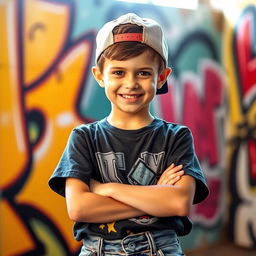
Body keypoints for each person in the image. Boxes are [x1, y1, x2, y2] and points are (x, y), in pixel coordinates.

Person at [49, 13, 209, 256]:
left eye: (143, 73)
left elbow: (178, 203)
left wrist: (106, 189)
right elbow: (80, 209)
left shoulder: (176, 137)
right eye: (119, 72)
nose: (131, 83)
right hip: (97, 249)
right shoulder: (83, 138)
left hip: (161, 248)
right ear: (100, 76)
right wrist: (155, 197)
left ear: (162, 77)